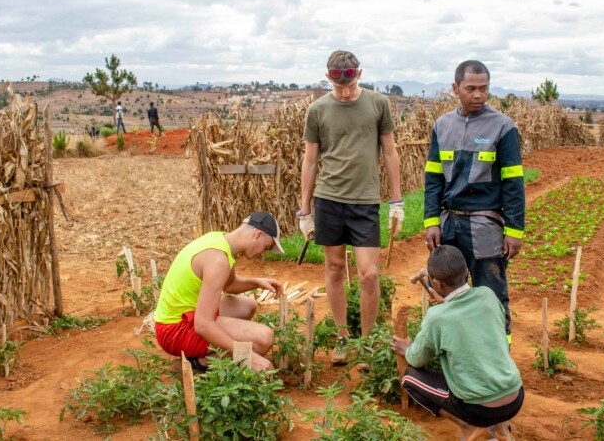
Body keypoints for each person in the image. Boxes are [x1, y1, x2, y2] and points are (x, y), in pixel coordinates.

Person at [298, 50, 403, 364]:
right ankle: (343, 336)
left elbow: (390, 153)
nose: (344, 93)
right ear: (329, 77)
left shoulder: (378, 104)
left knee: (369, 275)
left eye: (349, 86)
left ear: (359, 74)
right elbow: (310, 160)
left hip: (365, 201)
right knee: (333, 268)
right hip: (329, 199)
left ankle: (369, 342)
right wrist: (304, 210)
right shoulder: (317, 110)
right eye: (338, 87)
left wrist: (397, 201)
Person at [423, 60, 525, 343]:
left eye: (484, 88)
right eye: (471, 88)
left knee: (490, 293)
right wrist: (431, 221)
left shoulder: (503, 127)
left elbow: (514, 183)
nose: (478, 94)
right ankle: (451, 350)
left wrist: (514, 231)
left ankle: (497, 353)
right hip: (448, 225)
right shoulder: (442, 126)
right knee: (444, 291)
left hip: (485, 226)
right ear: (456, 88)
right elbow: (433, 179)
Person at [392, 245, 524, 438]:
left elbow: (417, 359)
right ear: (467, 271)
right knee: (490, 361)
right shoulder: (487, 295)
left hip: (479, 409)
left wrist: (408, 349)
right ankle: (502, 429)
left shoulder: (437, 317)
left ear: (436, 283)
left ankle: (469, 427)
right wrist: (449, 304)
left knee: (410, 378)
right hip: (515, 397)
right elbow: (473, 322)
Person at [154, 212, 285, 372]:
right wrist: (248, 356)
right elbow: (202, 325)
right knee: (264, 338)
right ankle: (198, 364)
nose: (264, 254)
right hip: (174, 331)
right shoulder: (218, 260)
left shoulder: (218, 240)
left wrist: (257, 282)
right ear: (258, 234)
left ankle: (204, 354)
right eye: (267, 247)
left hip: (182, 315)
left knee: (247, 305)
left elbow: (229, 285)